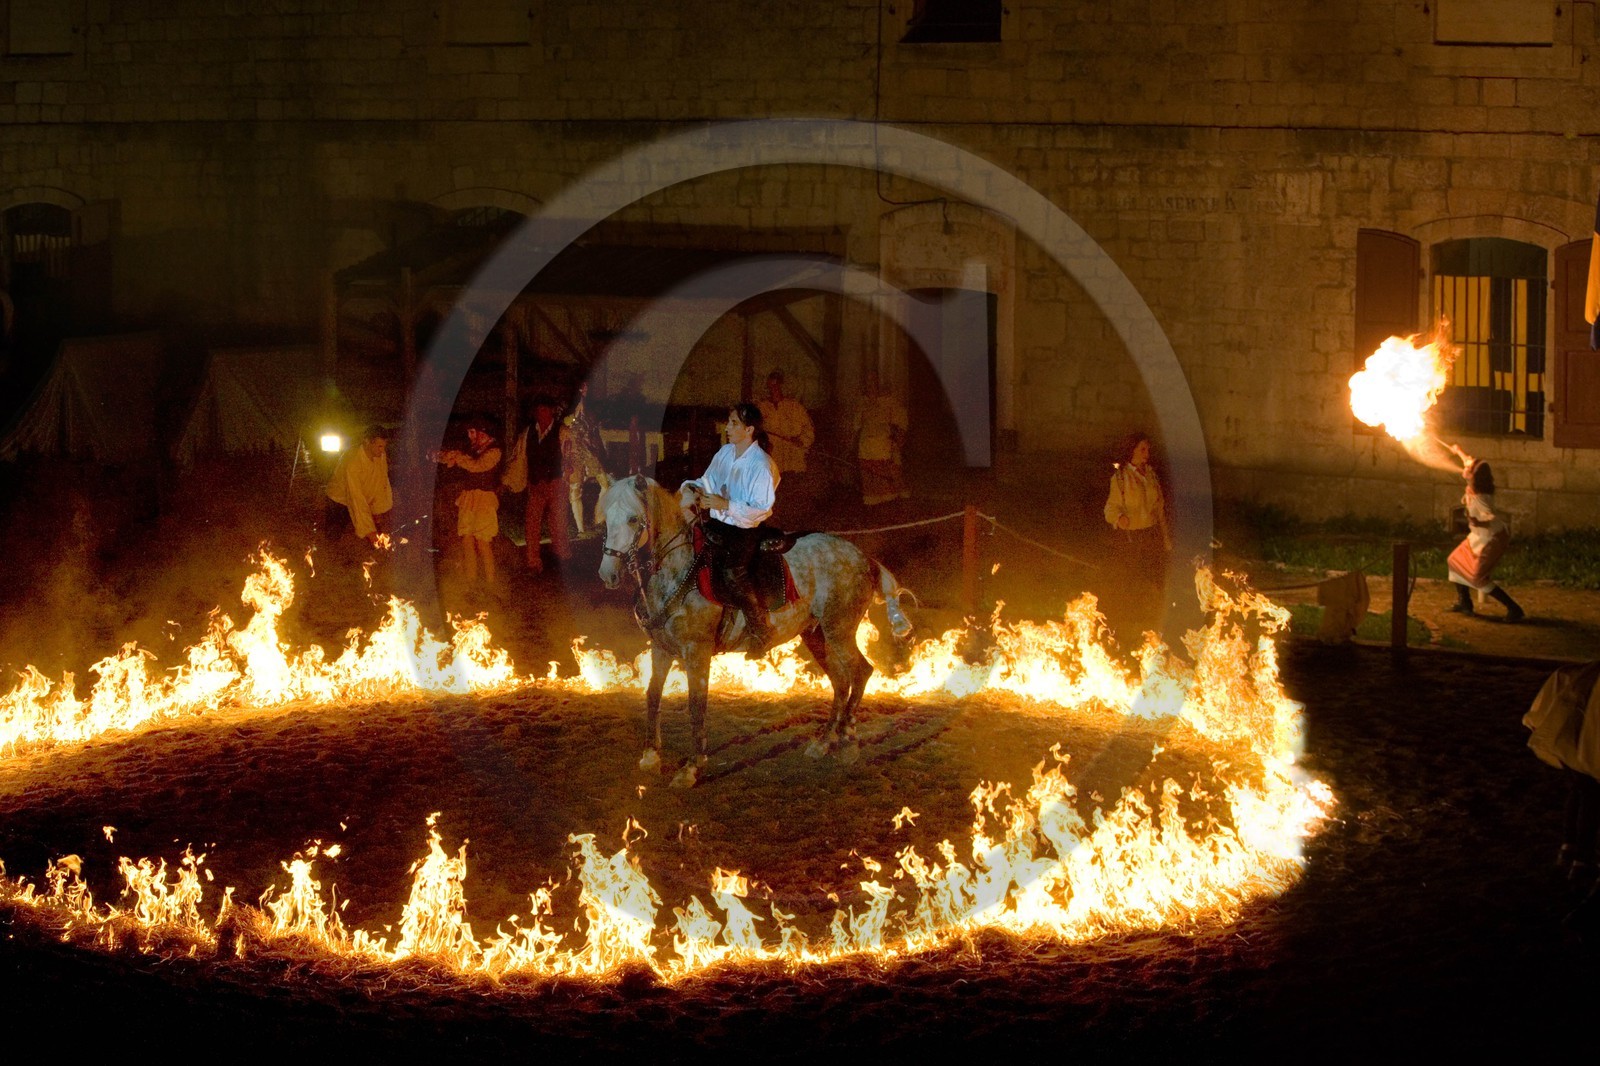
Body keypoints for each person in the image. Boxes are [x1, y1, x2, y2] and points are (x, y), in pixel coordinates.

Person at [680, 403, 780, 656]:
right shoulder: (725, 452)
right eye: (729, 422)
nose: (727, 427)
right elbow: (708, 481)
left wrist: (725, 504)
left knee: (733, 573)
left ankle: (761, 628)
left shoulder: (761, 465)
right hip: (718, 524)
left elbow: (761, 509)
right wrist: (693, 488)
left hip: (744, 531)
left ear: (749, 429)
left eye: (734, 423)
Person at [1444, 448, 1523, 622]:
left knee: (1478, 578)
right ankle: (1465, 603)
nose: (1465, 466)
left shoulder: (1481, 497)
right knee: (1454, 562)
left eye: (1469, 467)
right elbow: (1469, 461)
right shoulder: (1473, 484)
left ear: (1474, 476)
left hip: (1493, 538)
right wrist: (1458, 451)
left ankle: (1514, 609)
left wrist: (1478, 522)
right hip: (1478, 536)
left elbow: (1492, 518)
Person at [503, 397, 570, 575]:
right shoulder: (528, 433)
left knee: (557, 522)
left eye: (544, 410)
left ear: (552, 411)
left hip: (556, 483)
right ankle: (533, 562)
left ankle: (561, 558)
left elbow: (570, 457)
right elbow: (519, 458)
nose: (541, 414)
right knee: (531, 522)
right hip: (535, 484)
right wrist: (509, 480)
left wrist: (568, 475)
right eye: (538, 411)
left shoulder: (562, 431)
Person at [437, 419, 502, 588]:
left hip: (484, 500)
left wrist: (458, 457)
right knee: (466, 539)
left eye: (473, 432)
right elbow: (450, 459)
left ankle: (490, 583)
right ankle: (471, 582)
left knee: (483, 542)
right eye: (469, 433)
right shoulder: (471, 449)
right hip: (468, 498)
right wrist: (442, 455)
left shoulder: (494, 451)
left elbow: (477, 466)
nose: (470, 436)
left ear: (483, 433)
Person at [758, 370, 817, 523]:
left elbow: (809, 431)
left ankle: (794, 523)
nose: (774, 389)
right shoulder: (762, 408)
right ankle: (774, 523)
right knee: (773, 495)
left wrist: (802, 441)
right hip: (772, 461)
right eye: (771, 386)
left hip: (793, 461)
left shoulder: (795, 407)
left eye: (777, 385)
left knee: (793, 495)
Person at [324, 425, 393, 547]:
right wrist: (369, 530)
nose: (382, 450)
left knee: (375, 536)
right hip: (339, 500)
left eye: (384, 446)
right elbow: (356, 498)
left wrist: (378, 510)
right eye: (379, 446)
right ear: (367, 442)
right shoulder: (353, 463)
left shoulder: (380, 456)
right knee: (334, 534)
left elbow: (381, 482)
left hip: (362, 497)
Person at [564, 381, 612, 537]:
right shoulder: (570, 406)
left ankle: (598, 519)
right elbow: (565, 424)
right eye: (583, 386)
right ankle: (580, 529)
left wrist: (600, 452)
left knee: (605, 484)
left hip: (590, 452)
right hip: (574, 452)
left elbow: (594, 433)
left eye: (587, 386)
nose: (586, 388)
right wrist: (573, 419)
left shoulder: (590, 408)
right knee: (575, 490)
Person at [855, 370, 909, 506]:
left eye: (874, 382)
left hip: (885, 447)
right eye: (868, 382)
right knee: (870, 478)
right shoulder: (862, 403)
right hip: (866, 447)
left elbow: (901, 422)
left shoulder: (889, 402)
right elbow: (857, 425)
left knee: (889, 481)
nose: (871, 385)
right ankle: (872, 502)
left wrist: (898, 440)